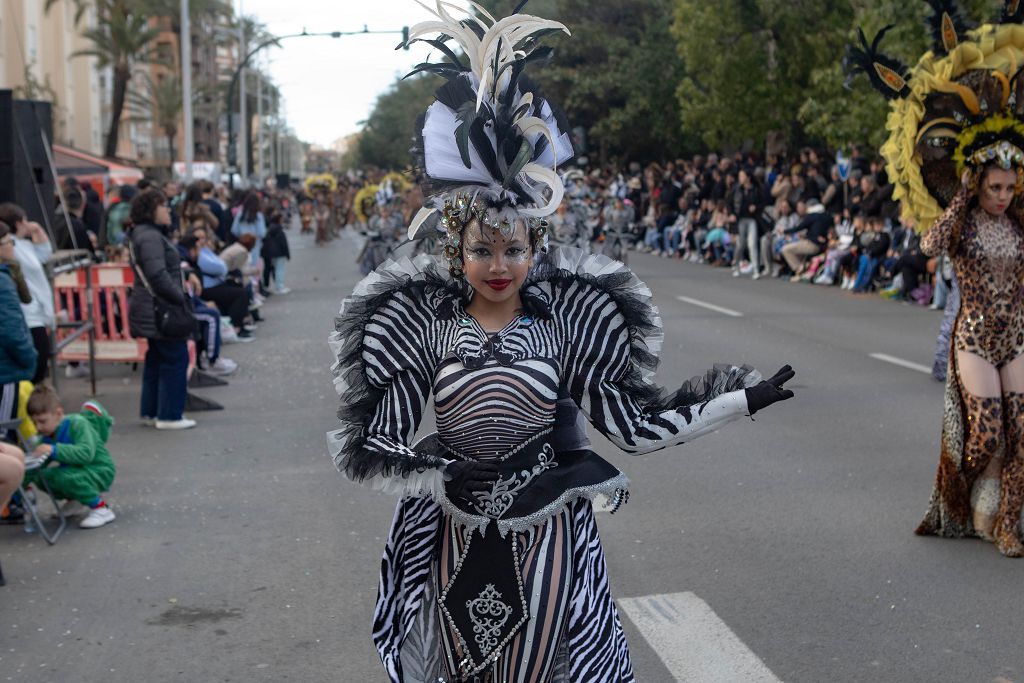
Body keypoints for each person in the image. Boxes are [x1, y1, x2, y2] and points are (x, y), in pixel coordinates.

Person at [328, 7, 796, 681]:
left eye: (513, 248)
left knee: (545, 665)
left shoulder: (567, 322)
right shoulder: (422, 323)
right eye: (481, 249)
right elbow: (376, 445)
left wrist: (737, 400)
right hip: (452, 533)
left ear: (535, 246)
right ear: (455, 249)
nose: (498, 264)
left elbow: (633, 427)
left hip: (549, 530)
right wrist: (434, 471)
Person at [847, 10, 1024, 556]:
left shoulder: (1019, 225)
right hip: (972, 336)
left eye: (1009, 187)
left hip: (1014, 336)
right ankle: (966, 488)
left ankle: (1007, 525)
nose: (1003, 195)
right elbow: (927, 247)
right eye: (994, 187)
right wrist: (964, 195)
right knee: (988, 433)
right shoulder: (964, 220)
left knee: (1021, 434)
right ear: (979, 181)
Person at [126, 189, 195, 430]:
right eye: (163, 206)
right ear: (151, 211)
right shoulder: (151, 237)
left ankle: (152, 412)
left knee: (156, 358)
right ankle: (169, 415)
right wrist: (180, 298)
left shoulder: (143, 234)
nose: (168, 210)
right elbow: (158, 274)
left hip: (150, 307)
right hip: (161, 307)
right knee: (175, 358)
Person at [25, 385, 116, 529]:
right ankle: (75, 500)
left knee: (66, 477)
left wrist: (53, 450)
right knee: (41, 477)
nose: (38, 428)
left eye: (42, 421)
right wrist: (21, 483)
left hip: (99, 469)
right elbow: (37, 465)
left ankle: (102, 508)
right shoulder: (48, 433)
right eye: (34, 422)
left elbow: (86, 453)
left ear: (59, 414)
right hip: (77, 471)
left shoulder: (77, 424)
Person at [1, 204, 55, 383]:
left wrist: (38, 229)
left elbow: (45, 253)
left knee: (40, 361)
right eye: (24, 220)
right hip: (28, 315)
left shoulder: (22, 246)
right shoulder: (11, 256)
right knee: (37, 362)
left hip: (34, 312)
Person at [0, 252, 37, 438]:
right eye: (7, 241)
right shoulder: (2, 281)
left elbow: (26, 298)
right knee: (5, 437)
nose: (11, 246)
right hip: (6, 370)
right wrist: (29, 358)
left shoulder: (8, 273)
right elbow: (11, 332)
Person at [261, 209, 291, 294]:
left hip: (271, 253)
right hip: (280, 252)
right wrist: (287, 254)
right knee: (280, 269)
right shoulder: (279, 230)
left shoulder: (270, 229)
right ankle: (280, 287)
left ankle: (273, 286)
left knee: (274, 269)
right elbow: (283, 243)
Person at [231, 192, 266, 265]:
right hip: (255, 245)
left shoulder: (240, 215)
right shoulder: (258, 216)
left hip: (242, 243)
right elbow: (262, 232)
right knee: (253, 267)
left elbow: (234, 230)